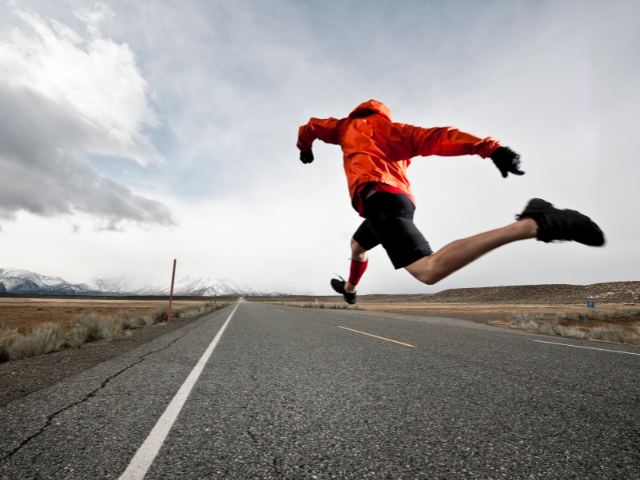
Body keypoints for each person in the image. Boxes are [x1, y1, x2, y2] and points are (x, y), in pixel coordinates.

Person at [297, 100, 605, 304]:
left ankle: (532, 223)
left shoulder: (343, 127)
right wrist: (490, 149)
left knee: (428, 271)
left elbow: (309, 127)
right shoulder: (396, 131)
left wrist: (305, 148)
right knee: (357, 246)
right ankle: (350, 290)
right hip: (395, 201)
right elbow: (439, 137)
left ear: (357, 114)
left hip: (381, 201)